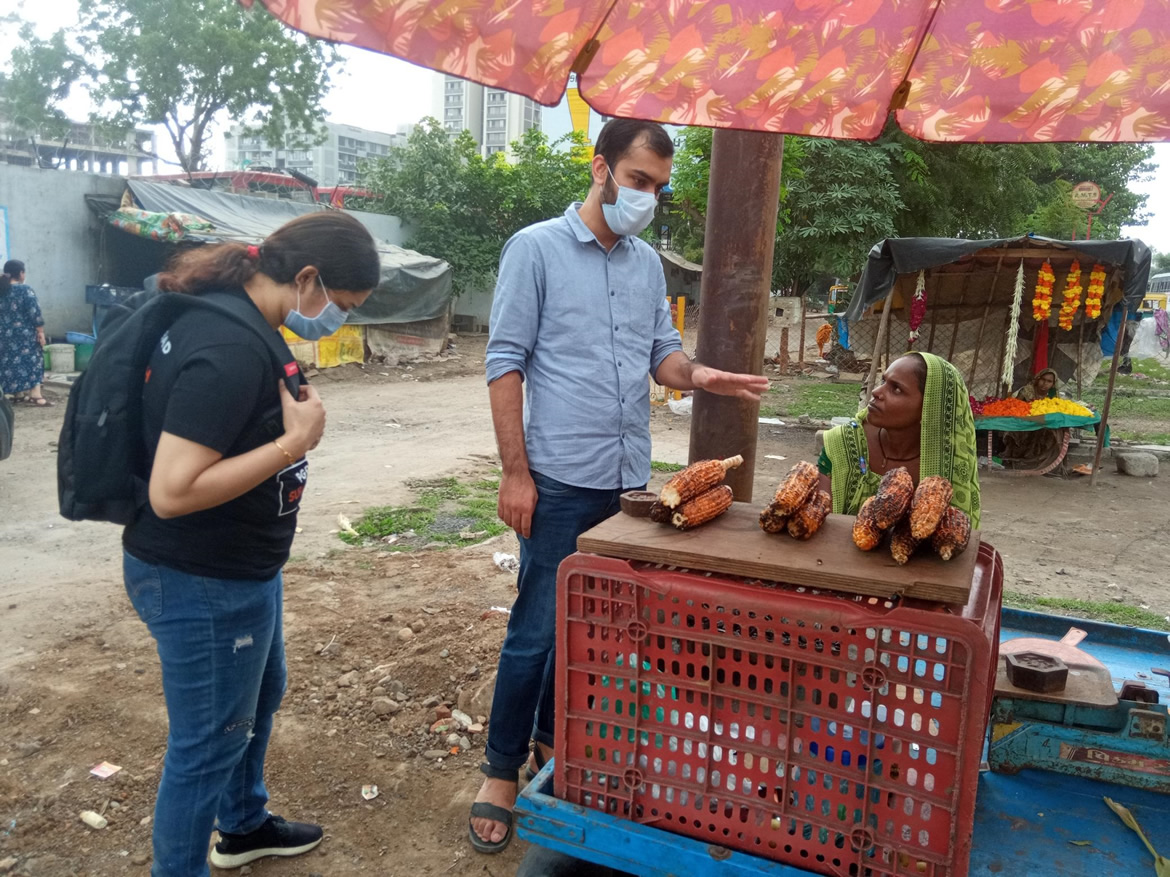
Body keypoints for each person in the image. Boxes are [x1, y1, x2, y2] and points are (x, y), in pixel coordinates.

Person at [471, 118, 770, 853]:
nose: (648, 197)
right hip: (558, 478)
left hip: (628, 483)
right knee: (536, 627)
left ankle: (553, 740)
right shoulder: (535, 249)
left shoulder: (645, 267)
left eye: (659, 187)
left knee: (596, 627)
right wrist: (515, 472)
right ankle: (499, 771)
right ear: (600, 167)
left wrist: (699, 375)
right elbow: (505, 362)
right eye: (639, 180)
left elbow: (661, 354)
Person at [122, 212, 380, 876]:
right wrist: (294, 443)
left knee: (259, 695)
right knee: (208, 742)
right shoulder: (229, 345)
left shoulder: (240, 319)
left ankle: (242, 825)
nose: (338, 320)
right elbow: (172, 490)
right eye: (343, 305)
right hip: (201, 577)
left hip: (238, 567)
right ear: (308, 278)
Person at [818, 352, 980, 527]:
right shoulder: (842, 444)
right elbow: (820, 519)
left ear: (929, 408)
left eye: (896, 389)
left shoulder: (947, 465)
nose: (876, 392)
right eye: (883, 381)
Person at [0, 259, 52, 406]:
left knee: (9, 362)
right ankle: (35, 395)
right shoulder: (25, 290)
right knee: (33, 361)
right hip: (24, 335)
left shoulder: (1, 289)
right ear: (21, 273)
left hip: (4, 334)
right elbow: (34, 312)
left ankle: (17, 394)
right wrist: (40, 331)